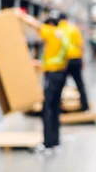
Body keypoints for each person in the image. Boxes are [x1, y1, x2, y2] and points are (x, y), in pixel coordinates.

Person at [18, 10, 70, 152]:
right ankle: (55, 140)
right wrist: (40, 64)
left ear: (51, 23)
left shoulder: (52, 32)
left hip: (52, 76)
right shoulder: (62, 35)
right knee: (55, 108)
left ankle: (48, 143)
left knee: (47, 108)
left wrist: (21, 15)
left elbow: (36, 25)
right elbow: (58, 58)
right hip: (59, 74)